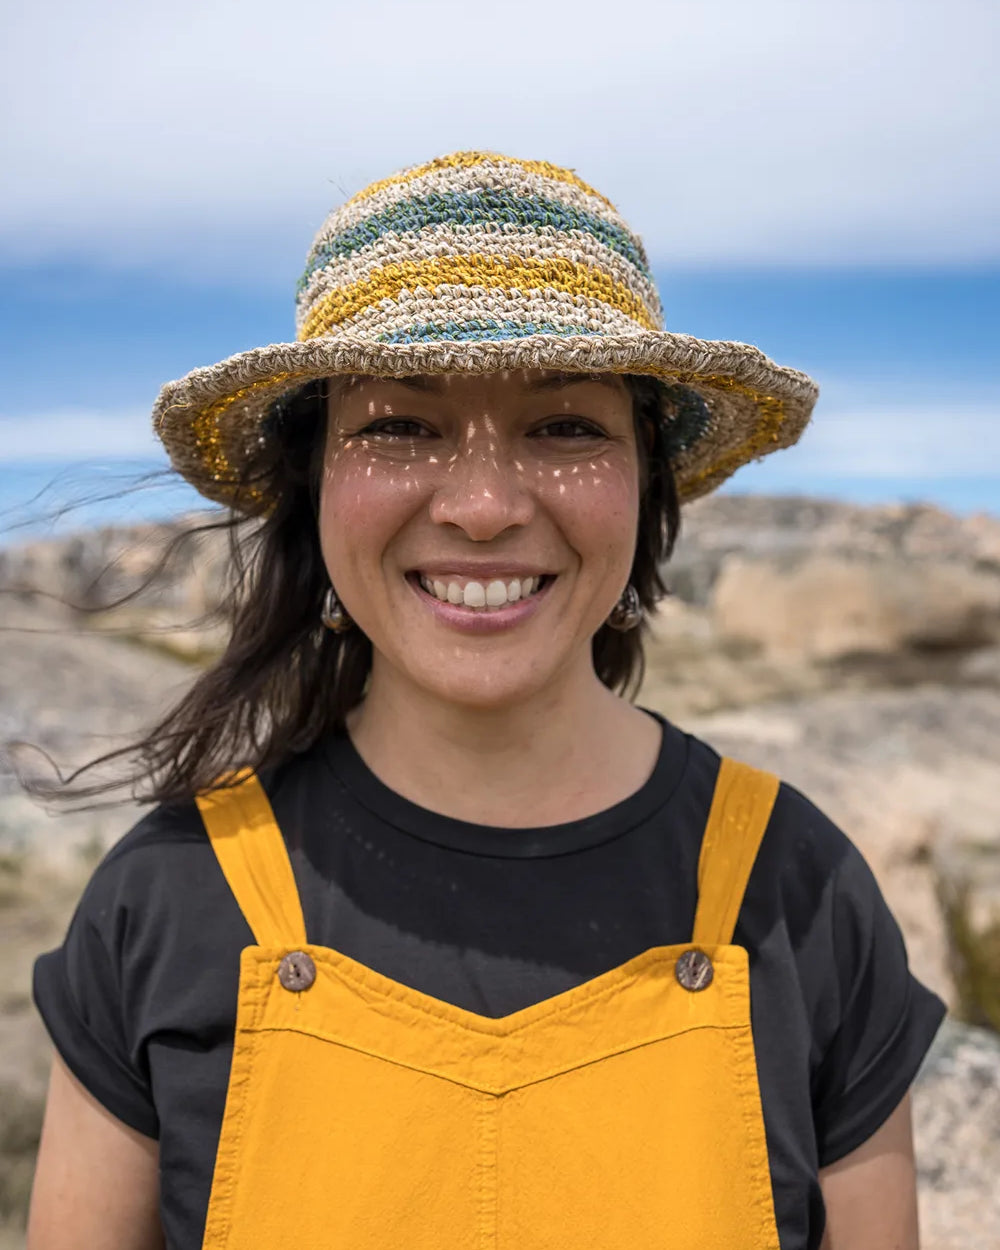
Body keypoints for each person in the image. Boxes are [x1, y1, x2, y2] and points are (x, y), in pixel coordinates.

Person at [27, 151, 944, 1250]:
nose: (479, 506)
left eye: (564, 426)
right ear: (312, 477)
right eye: (399, 425)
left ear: (644, 478)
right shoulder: (164, 899)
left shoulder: (800, 892)